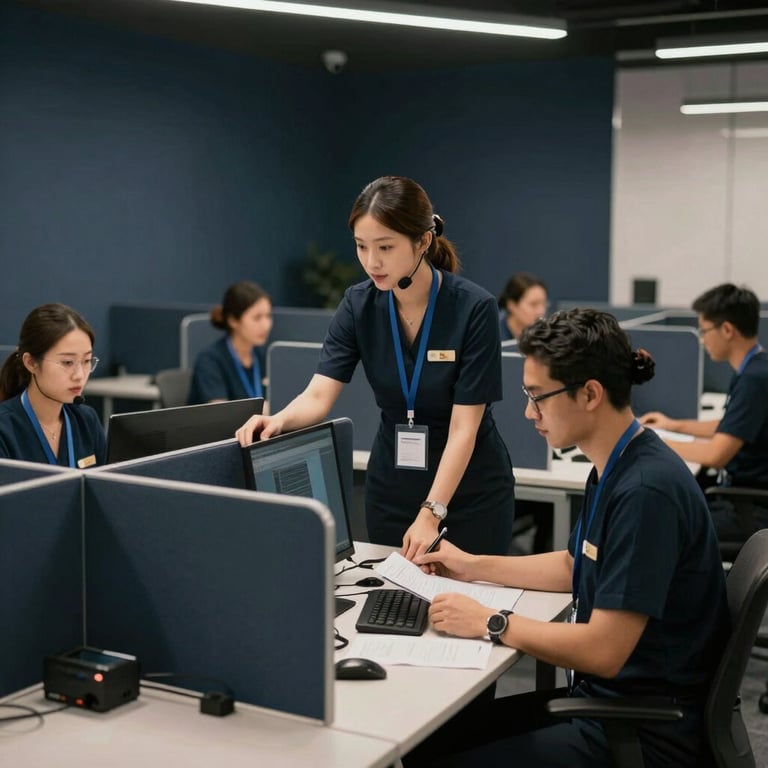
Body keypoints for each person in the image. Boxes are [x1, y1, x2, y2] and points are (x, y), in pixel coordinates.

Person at [406, 308, 728, 768]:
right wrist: (471, 565)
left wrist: (490, 621)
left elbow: (604, 650)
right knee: (432, 738)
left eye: (537, 396)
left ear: (590, 394)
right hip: (609, 705)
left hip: (644, 732)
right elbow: (575, 566)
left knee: (439, 757)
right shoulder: (616, 463)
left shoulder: (645, 491)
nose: (527, 412)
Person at [236, 175, 515, 557]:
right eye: (361, 247)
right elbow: (319, 393)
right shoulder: (358, 305)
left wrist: (432, 512)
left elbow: (464, 428)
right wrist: (278, 420)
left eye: (385, 247)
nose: (371, 262)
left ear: (423, 241)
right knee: (392, 606)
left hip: (469, 493)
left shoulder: (473, 308)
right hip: (393, 489)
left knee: (464, 606)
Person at [639, 283, 768, 541]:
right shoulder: (756, 366)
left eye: (705, 330)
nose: (701, 339)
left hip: (749, 508)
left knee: (656, 524)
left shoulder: (755, 379)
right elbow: (731, 424)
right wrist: (674, 425)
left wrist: (653, 442)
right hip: (744, 497)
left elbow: (715, 454)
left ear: (727, 330)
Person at [0, 303, 106, 467]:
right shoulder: (5, 429)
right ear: (31, 363)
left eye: (86, 361)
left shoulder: (86, 420)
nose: (79, 375)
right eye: (67, 362)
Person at [188, 280, 273, 405]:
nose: (266, 325)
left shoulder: (263, 357)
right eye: (257, 318)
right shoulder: (210, 360)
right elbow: (220, 412)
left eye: (268, 316)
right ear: (233, 320)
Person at [497, 272, 548, 342]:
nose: (541, 311)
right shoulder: (493, 336)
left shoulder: (547, 337)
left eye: (544, 304)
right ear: (511, 305)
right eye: (533, 304)